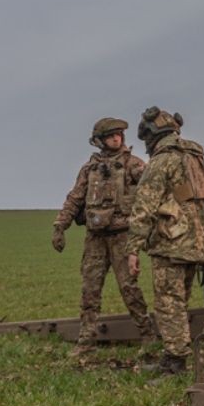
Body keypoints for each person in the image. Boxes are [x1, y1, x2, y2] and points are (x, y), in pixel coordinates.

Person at [53, 117, 156, 355]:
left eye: (119, 134)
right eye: (111, 136)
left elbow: (152, 191)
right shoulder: (89, 169)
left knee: (129, 289)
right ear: (99, 141)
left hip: (122, 236)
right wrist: (60, 225)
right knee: (90, 289)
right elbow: (75, 198)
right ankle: (86, 340)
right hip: (95, 237)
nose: (116, 138)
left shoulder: (133, 164)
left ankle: (148, 335)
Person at [126, 106, 204, 375]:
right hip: (196, 241)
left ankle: (176, 363)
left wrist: (132, 249)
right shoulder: (194, 157)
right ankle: (172, 355)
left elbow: (144, 206)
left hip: (171, 242)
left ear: (152, 135)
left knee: (168, 304)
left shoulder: (162, 161)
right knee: (179, 301)